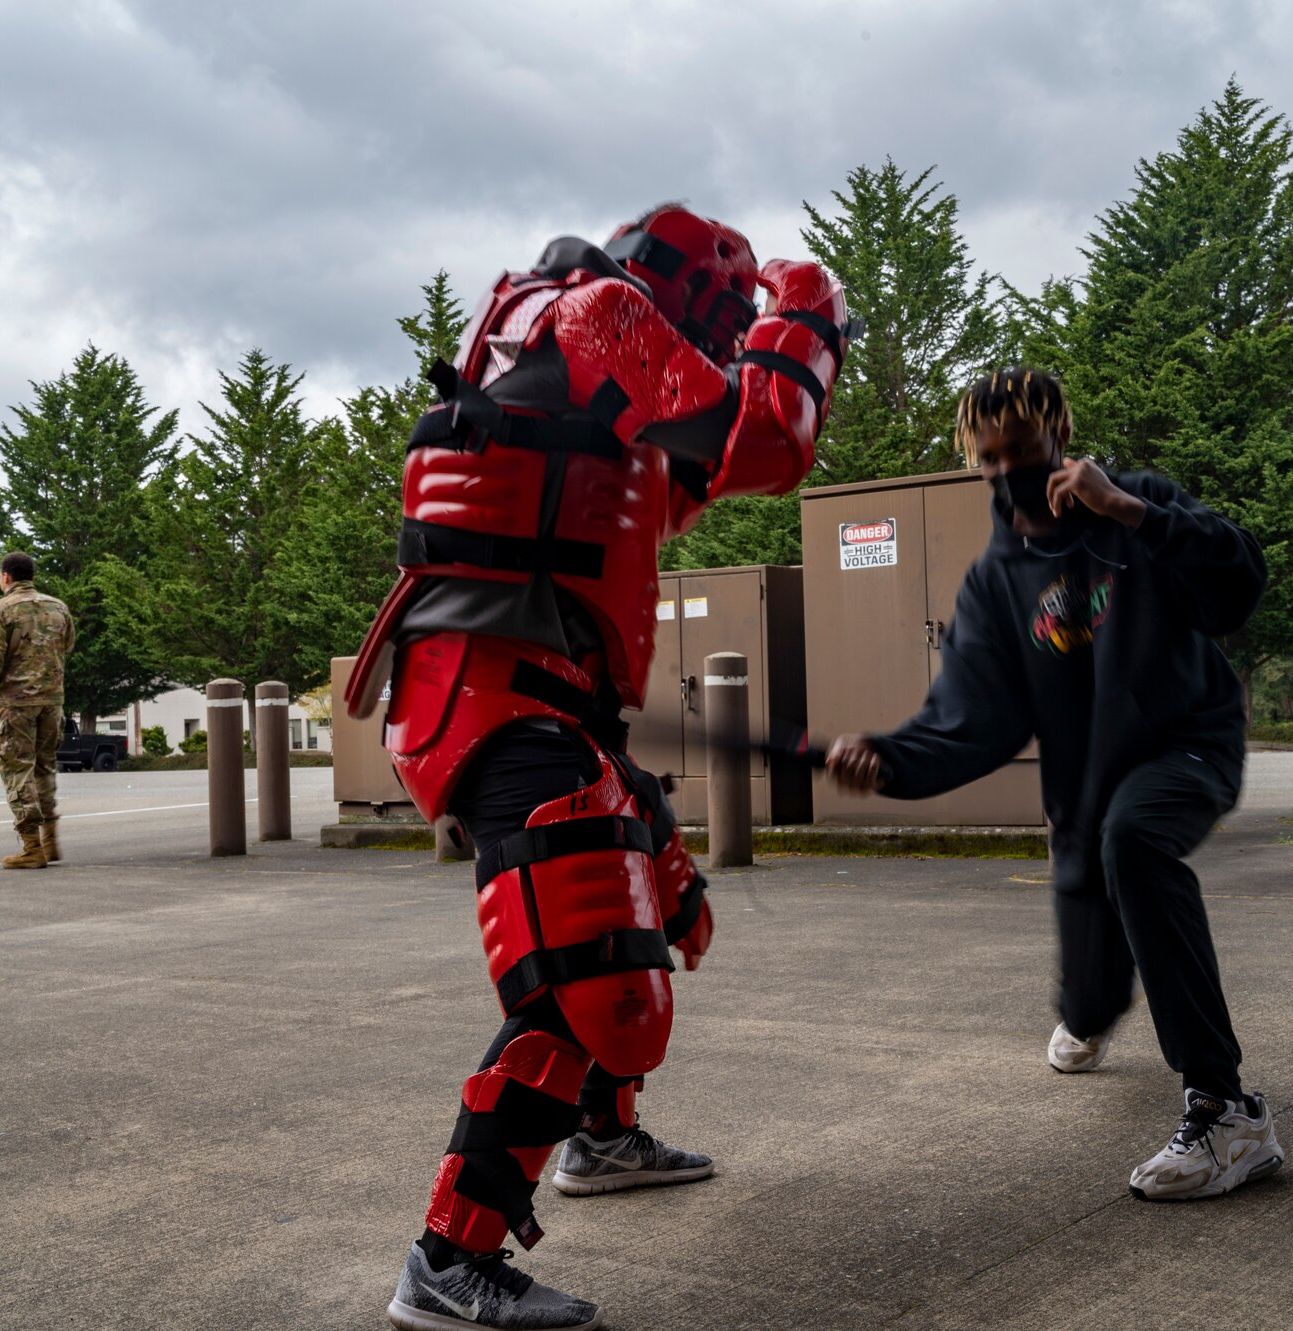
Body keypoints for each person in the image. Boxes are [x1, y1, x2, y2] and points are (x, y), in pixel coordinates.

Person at [345, 205, 848, 1330]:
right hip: (499, 703)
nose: (715, 351)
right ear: (679, 294)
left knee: (664, 899)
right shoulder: (600, 311)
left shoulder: (556, 346)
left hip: (546, 700)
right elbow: (764, 445)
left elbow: (668, 485)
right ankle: (447, 1256)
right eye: (716, 328)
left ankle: (603, 1137)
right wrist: (805, 310)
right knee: (585, 984)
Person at [827, 367, 1284, 1203]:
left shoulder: (1136, 503)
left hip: (1188, 745)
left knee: (1135, 840)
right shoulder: (995, 582)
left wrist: (1128, 511)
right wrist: (887, 759)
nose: (1008, 470)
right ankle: (1090, 1010)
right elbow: (971, 720)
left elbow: (1239, 583)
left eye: (1024, 450)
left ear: (1060, 440)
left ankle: (1227, 1110)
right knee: (1090, 992)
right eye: (989, 457)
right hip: (1084, 788)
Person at [0, 551, 75, 870]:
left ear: (6, 576)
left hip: (15, 704)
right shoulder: (58, 607)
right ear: (30, 575)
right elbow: (67, 645)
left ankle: (32, 847)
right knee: (45, 767)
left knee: (18, 770)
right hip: (52, 702)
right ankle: (50, 841)